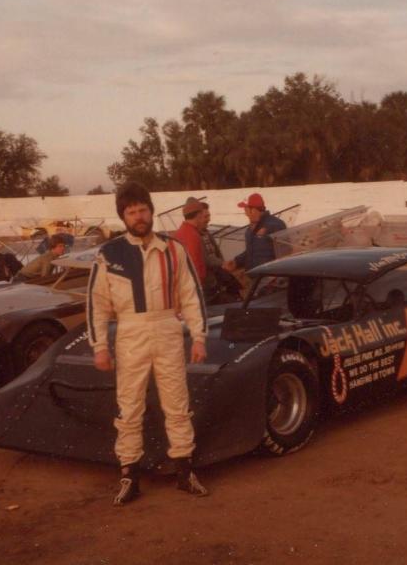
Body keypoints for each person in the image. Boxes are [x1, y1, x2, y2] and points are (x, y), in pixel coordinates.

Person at [88, 181, 209, 505]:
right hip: (130, 332)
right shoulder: (109, 254)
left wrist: (199, 336)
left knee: (177, 404)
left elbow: (191, 295)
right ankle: (129, 476)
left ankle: (185, 471)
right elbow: (97, 304)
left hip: (168, 327)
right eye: (131, 212)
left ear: (151, 211)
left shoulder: (174, 249)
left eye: (143, 210)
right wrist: (100, 346)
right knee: (129, 408)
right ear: (123, 216)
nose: (139, 217)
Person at [223, 193, 287, 272]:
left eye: (246, 210)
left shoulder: (275, 225)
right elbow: (251, 252)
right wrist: (236, 262)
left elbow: (286, 252)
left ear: (253, 210)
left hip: (271, 277)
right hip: (255, 277)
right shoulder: (250, 230)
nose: (245, 214)